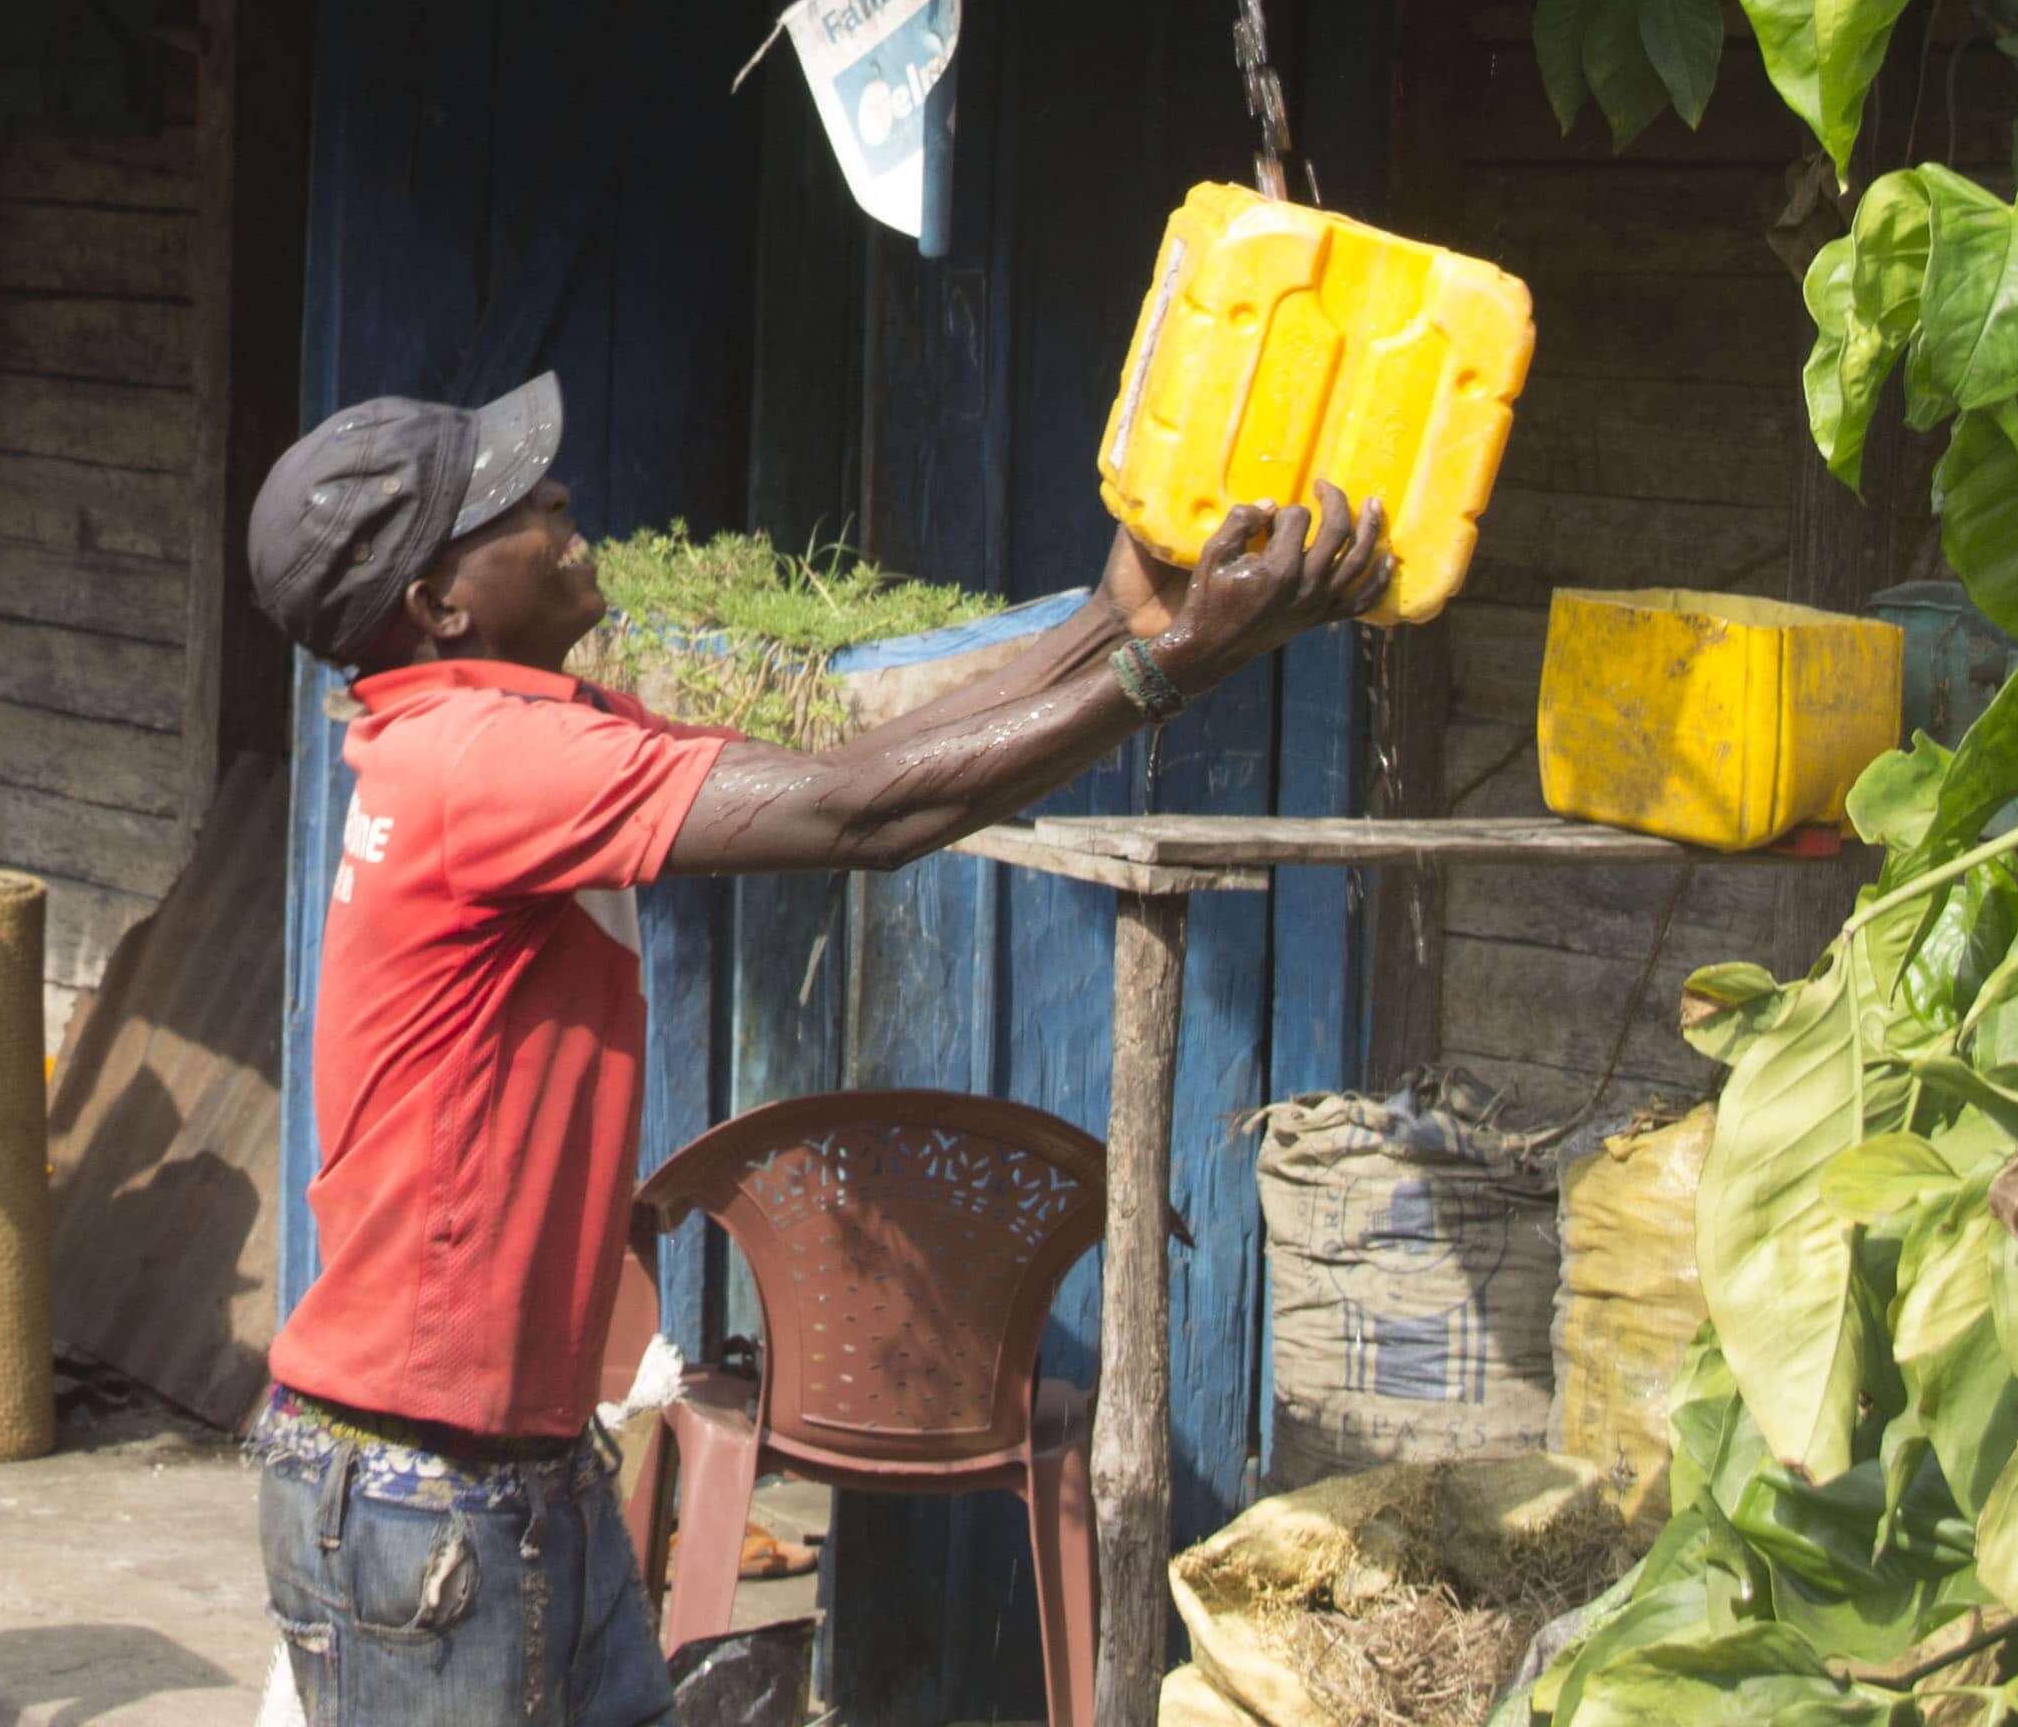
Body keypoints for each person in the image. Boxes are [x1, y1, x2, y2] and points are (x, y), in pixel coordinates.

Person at [242, 375, 1395, 1727]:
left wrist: (1109, 626)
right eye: (510, 502)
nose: (557, 498)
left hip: (511, 1472)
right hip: (425, 1497)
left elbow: (856, 760)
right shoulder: (487, 761)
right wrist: (1168, 667)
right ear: (440, 605)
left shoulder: (509, 733)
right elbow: (863, 817)